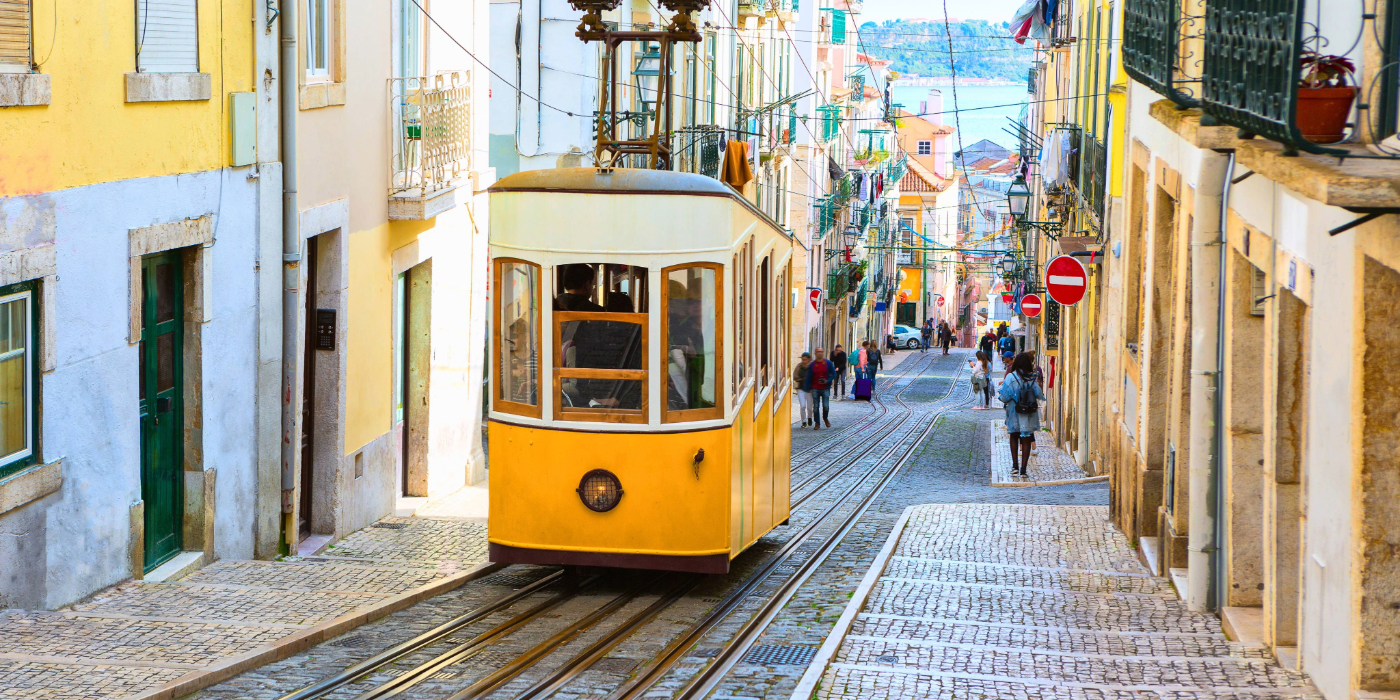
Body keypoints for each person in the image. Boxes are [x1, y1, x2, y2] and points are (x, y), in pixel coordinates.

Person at [999, 352, 1045, 478]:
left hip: (1014, 410)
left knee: (1014, 436)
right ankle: (1024, 470)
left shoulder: (1010, 377)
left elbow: (1004, 397)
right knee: (1026, 438)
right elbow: (1039, 394)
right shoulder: (1032, 377)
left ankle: (1015, 467)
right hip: (1029, 412)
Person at [804, 347, 836, 429]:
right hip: (815, 388)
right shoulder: (812, 365)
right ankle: (817, 423)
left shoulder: (828, 363)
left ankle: (825, 418)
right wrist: (807, 388)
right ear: (815, 353)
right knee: (816, 407)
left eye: (821, 352)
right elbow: (809, 376)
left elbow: (834, 374)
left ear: (823, 352)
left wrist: (827, 380)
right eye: (818, 352)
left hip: (825, 387)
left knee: (826, 406)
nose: (820, 353)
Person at [793, 352, 814, 427]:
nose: (803, 361)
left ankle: (809, 417)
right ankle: (804, 421)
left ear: (809, 359)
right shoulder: (799, 366)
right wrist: (800, 379)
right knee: (802, 406)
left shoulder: (812, 367)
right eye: (802, 359)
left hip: (809, 390)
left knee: (809, 407)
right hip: (801, 388)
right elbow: (795, 376)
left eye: (805, 360)